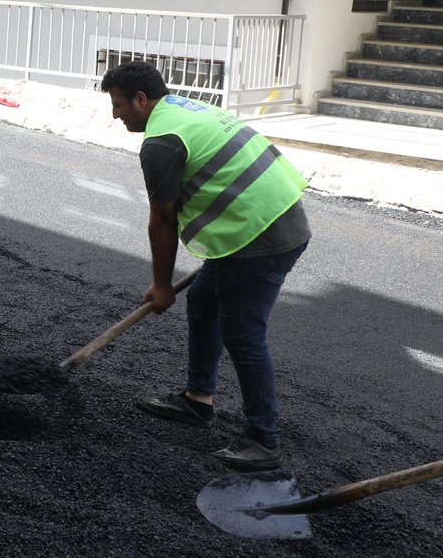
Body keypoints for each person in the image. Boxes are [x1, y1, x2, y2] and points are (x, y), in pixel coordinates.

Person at [101, 60, 311, 472]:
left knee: (242, 332)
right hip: (272, 217)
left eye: (119, 105)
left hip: (260, 236)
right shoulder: (185, 108)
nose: (115, 114)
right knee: (202, 301)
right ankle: (198, 401)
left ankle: (263, 440)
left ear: (141, 100)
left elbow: (163, 218)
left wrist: (161, 285)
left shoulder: (161, 141)